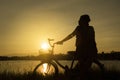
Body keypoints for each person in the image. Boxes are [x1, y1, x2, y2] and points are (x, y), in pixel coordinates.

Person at [56, 14, 104, 79]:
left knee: (82, 71)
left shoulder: (84, 29)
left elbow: (72, 36)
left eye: (80, 20)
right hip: (85, 51)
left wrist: (62, 41)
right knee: (80, 68)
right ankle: (72, 73)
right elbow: (71, 35)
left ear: (84, 21)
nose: (78, 21)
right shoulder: (85, 28)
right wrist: (62, 41)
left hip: (85, 51)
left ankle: (72, 74)